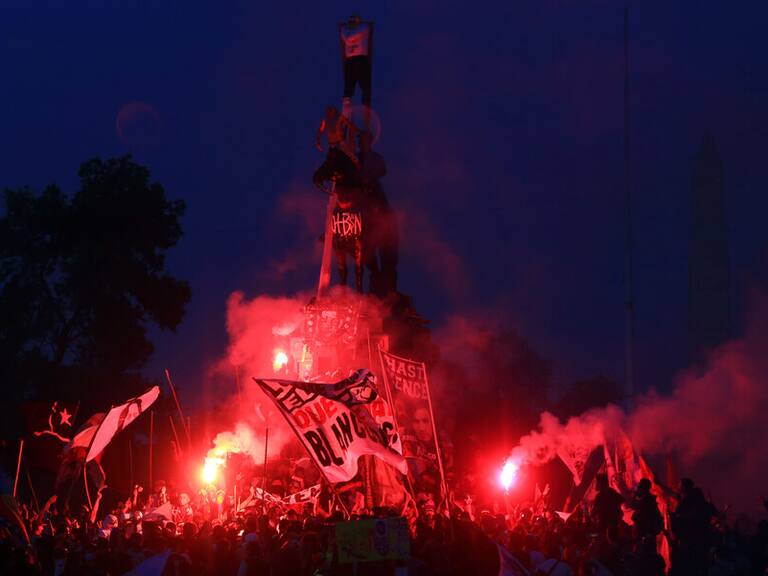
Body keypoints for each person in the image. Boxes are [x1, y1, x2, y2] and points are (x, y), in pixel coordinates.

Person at [313, 105, 359, 191]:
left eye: (331, 111)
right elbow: (321, 130)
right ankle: (322, 178)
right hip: (332, 145)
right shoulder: (325, 120)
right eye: (328, 111)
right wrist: (318, 140)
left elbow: (349, 124)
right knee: (330, 162)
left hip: (340, 143)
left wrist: (358, 131)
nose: (329, 113)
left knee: (352, 158)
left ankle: (357, 173)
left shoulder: (339, 117)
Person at [338, 15, 373, 120]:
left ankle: (365, 113)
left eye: (353, 22)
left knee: (365, 88)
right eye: (351, 22)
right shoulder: (346, 30)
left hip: (360, 59)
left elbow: (349, 37)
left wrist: (350, 33)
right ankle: (346, 114)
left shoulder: (364, 27)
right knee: (348, 88)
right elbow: (348, 36)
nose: (352, 24)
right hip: (350, 60)